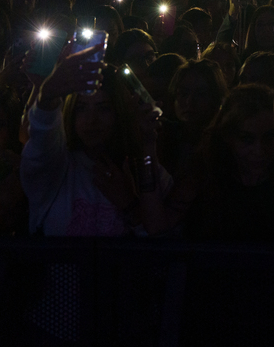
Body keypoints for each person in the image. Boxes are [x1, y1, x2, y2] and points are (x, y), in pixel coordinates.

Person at [139, 83, 274, 241]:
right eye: (247, 139)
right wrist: (148, 146)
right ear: (228, 136)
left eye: (269, 137)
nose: (259, 150)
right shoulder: (206, 171)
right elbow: (157, 225)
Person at [21, 51, 167, 236]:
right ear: (71, 112)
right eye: (82, 109)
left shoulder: (144, 168)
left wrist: (129, 205)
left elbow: (161, 248)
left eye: (103, 108)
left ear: (118, 111)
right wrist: (46, 98)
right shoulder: (56, 168)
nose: (91, 120)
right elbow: (42, 142)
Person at [160, 58, 227, 175]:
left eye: (201, 94)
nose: (189, 102)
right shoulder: (164, 135)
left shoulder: (224, 144)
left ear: (216, 98)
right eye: (183, 93)